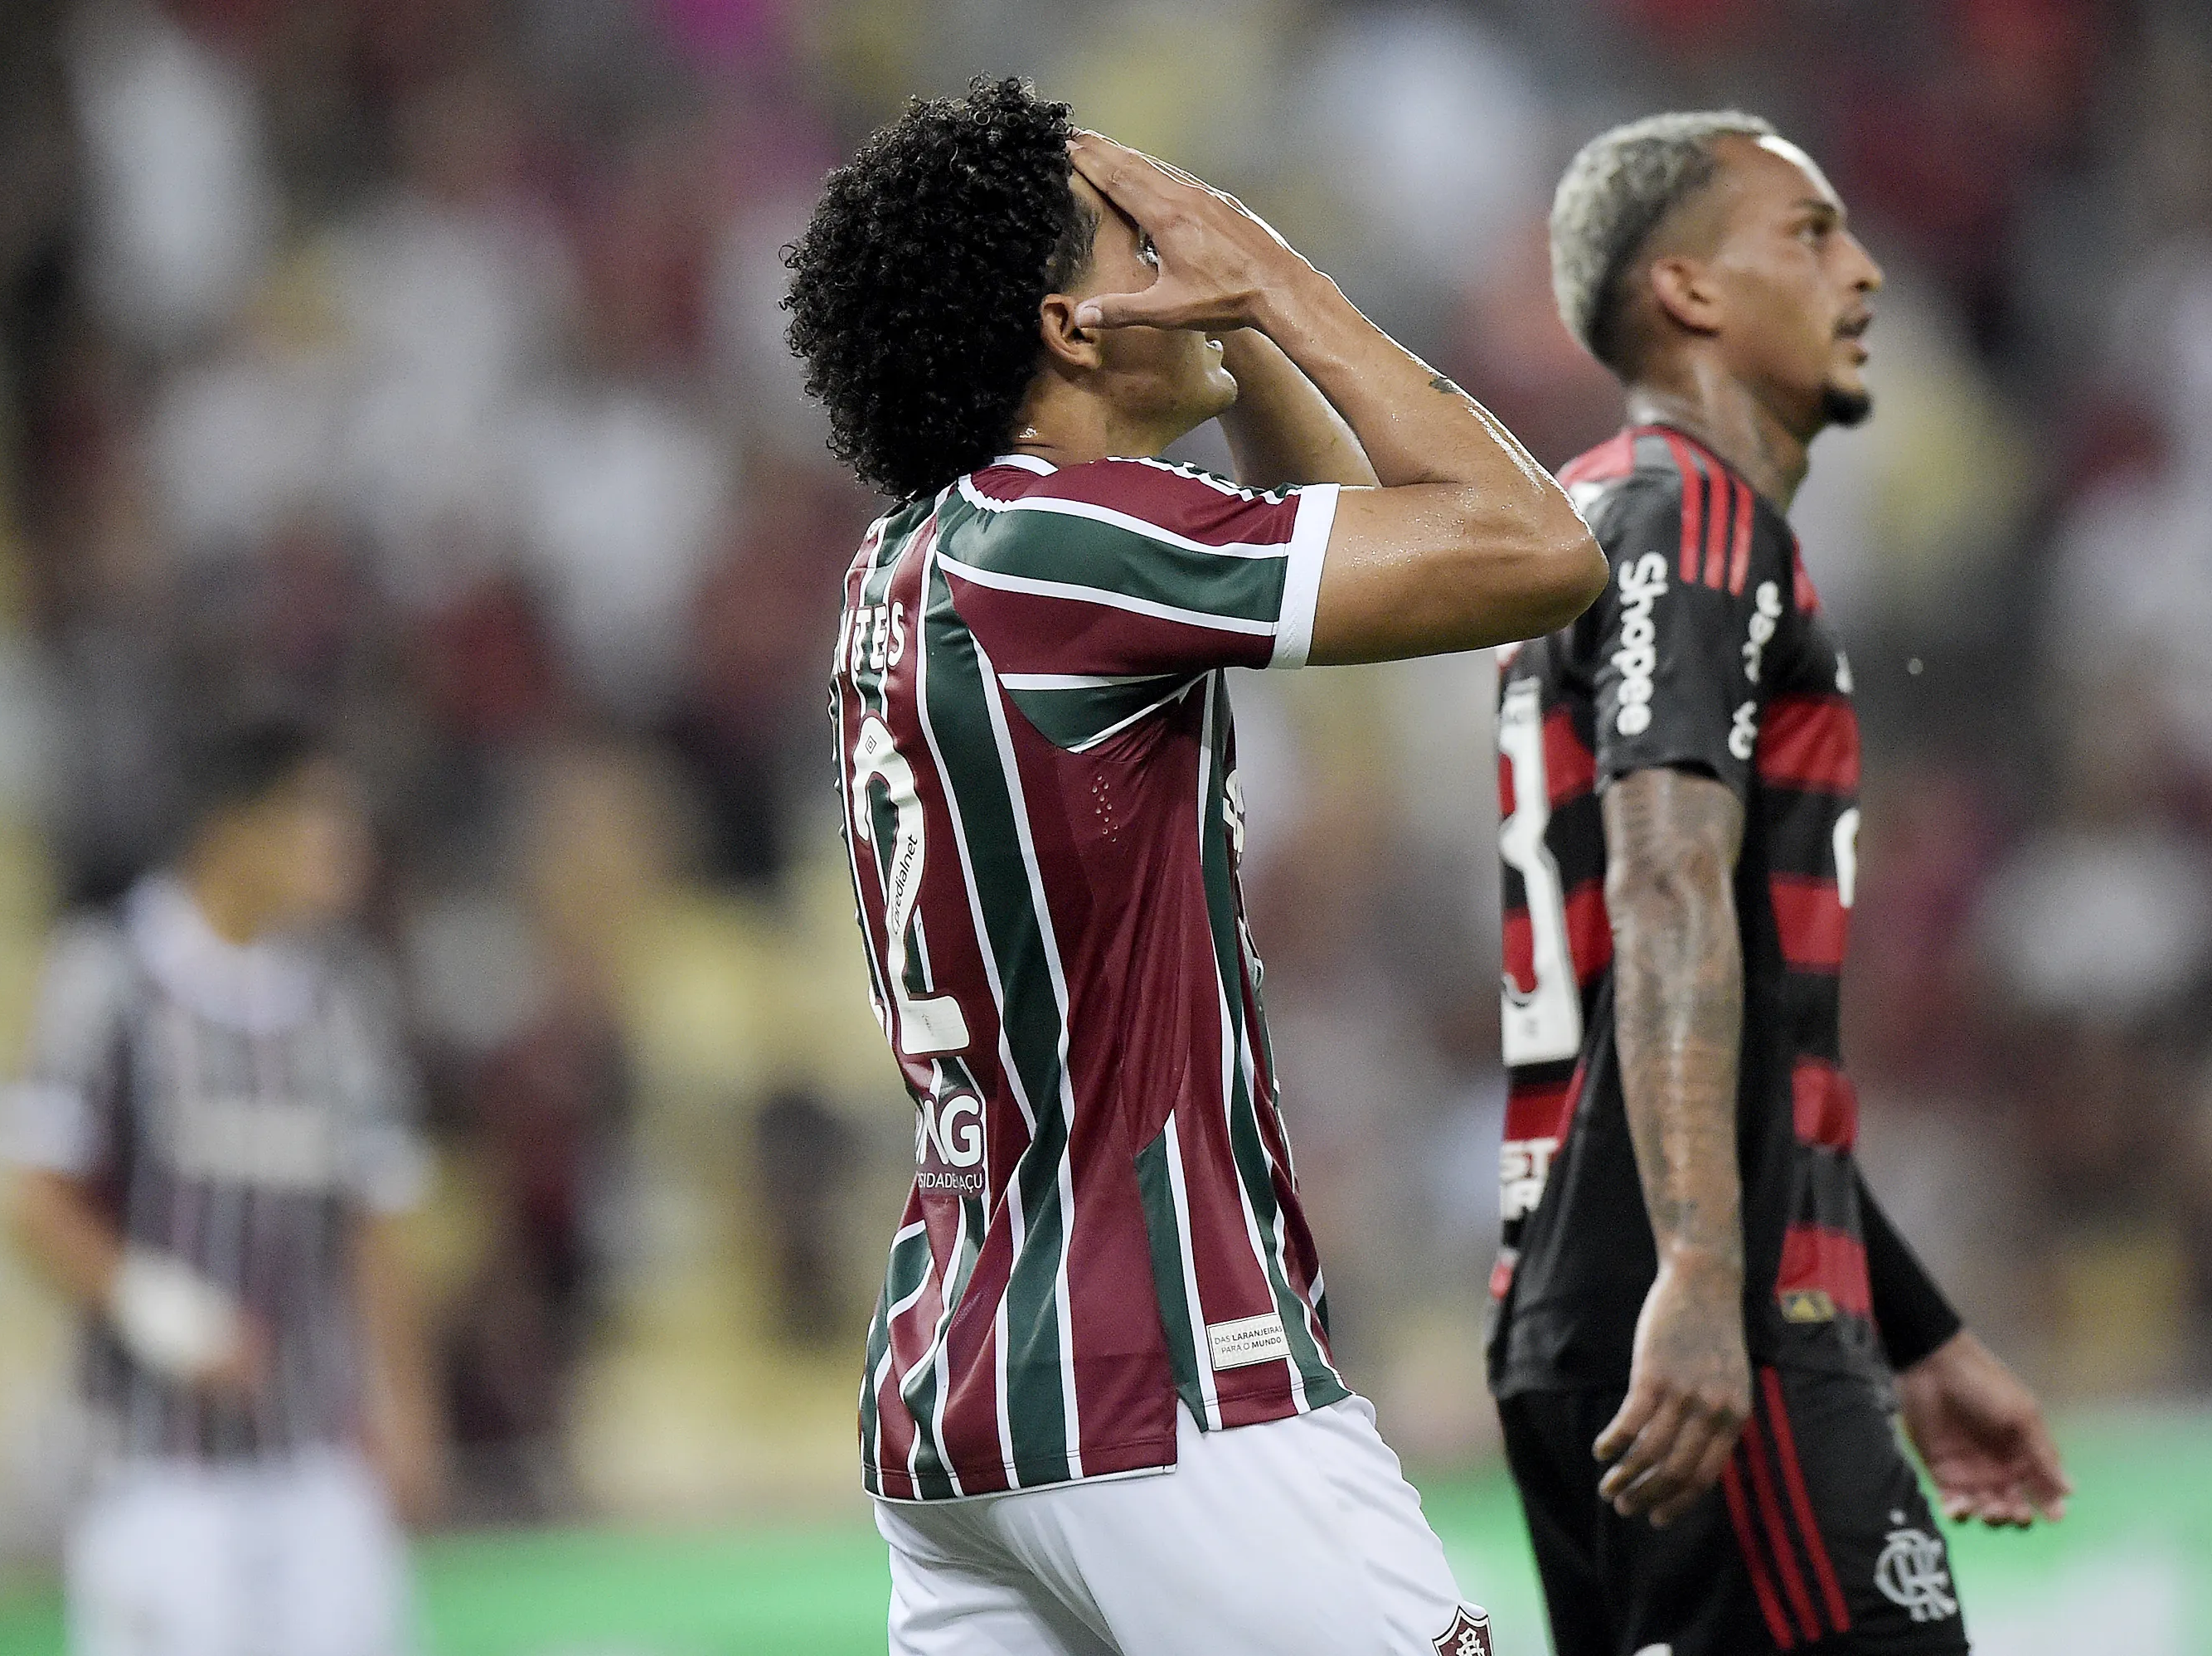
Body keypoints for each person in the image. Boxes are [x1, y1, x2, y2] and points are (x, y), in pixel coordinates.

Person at [783, 77, 1602, 1656]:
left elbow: (1358, 542)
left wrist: (1242, 338)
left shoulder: (922, 559)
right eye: (1138, 242)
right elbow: (1533, 551)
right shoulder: (1061, 547)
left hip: (962, 1402)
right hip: (1159, 1378)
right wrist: (1282, 277)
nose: (1184, 251)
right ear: (1074, 327)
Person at [1486, 112, 2071, 1656]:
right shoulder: (1696, 514)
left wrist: (1920, 1329)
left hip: (1584, 1294)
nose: (1864, 270)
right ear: (1687, 291)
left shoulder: (1583, 521)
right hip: (1707, 1320)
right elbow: (1672, 889)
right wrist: (1702, 1277)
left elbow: (1714, 1014)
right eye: (1808, 235)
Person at [3, 715, 442, 1656]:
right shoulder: (109, 979)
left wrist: (405, 1401)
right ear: (233, 827)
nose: (347, 851)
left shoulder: (342, 999)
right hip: (156, 1468)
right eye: (320, 821)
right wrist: (154, 1304)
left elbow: (375, 1221)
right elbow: (35, 1197)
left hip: (319, 1457)